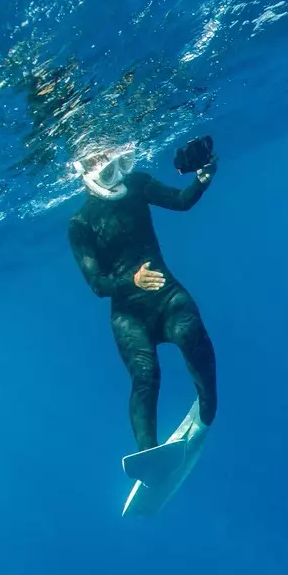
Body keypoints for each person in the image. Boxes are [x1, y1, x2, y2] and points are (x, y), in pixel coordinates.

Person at [67, 142, 220, 453]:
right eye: (108, 170)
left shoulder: (137, 184)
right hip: (128, 314)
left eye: (122, 163)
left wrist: (202, 178)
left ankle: (207, 411)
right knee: (145, 374)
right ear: (86, 174)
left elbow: (179, 201)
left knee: (192, 335)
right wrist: (131, 280)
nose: (119, 173)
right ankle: (148, 452)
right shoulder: (80, 224)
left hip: (168, 295)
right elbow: (97, 284)